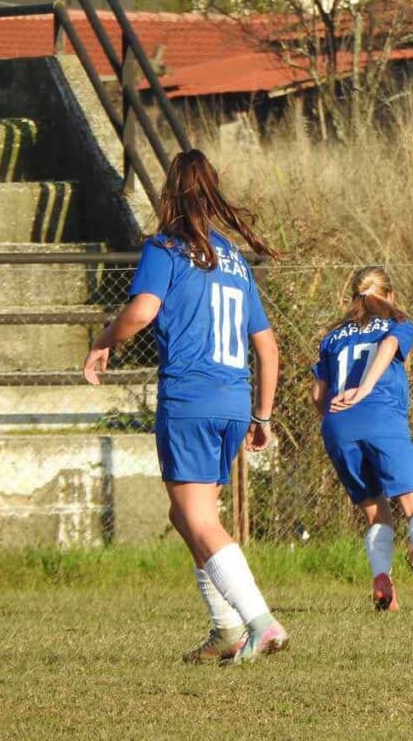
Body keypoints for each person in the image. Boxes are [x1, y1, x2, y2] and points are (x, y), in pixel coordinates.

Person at [83, 149, 288, 663]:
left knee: (197, 517)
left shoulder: (166, 248)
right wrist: (262, 416)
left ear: (170, 192)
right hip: (234, 401)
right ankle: (224, 630)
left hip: (191, 397)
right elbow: (267, 344)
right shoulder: (235, 260)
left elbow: (143, 310)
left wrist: (107, 335)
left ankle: (259, 622)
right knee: (188, 515)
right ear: (213, 192)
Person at [311, 266, 413, 612]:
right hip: (382, 419)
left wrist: (337, 421)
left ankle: (381, 578)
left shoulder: (332, 337)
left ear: (354, 298)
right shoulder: (399, 323)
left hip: (338, 427)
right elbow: (388, 345)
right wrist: (366, 388)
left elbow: (316, 396)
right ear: (390, 296)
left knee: (375, 513)